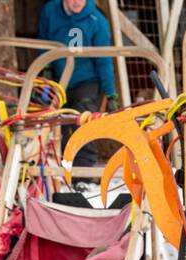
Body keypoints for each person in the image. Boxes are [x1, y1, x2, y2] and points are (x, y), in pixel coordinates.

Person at [37, 0, 118, 171]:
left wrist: (110, 93)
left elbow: (104, 60)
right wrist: (46, 70)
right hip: (59, 78)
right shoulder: (50, 11)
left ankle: (83, 173)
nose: (77, 2)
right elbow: (42, 43)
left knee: (83, 120)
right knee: (58, 122)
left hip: (86, 79)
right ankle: (61, 169)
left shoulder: (96, 20)